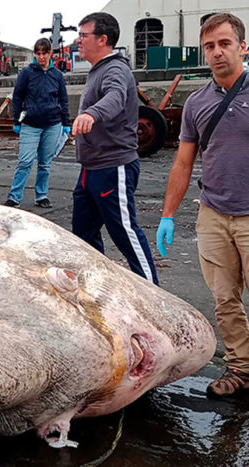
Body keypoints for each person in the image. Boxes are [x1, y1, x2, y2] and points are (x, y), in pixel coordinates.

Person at [156, 13, 249, 398]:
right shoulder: (196, 103)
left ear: (243, 47)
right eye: (209, 46)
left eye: (224, 43)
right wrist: (167, 215)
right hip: (212, 212)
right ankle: (241, 369)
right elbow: (183, 162)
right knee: (225, 299)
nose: (216, 52)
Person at [70, 12, 157, 285]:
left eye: (83, 35)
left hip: (112, 166)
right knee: (83, 234)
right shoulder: (98, 70)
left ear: (103, 39)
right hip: (91, 168)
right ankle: (97, 287)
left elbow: (115, 97)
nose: (78, 41)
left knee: (124, 232)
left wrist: (91, 114)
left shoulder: (116, 70)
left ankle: (154, 294)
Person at [6, 38, 70, 209]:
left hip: (53, 124)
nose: (41, 57)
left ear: (50, 53)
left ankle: (41, 195)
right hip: (31, 124)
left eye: (44, 53)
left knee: (45, 163)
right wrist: (16, 120)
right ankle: (14, 196)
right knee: (25, 161)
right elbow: (18, 97)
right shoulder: (27, 73)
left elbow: (63, 100)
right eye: (38, 53)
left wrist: (66, 123)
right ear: (35, 54)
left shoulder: (57, 76)